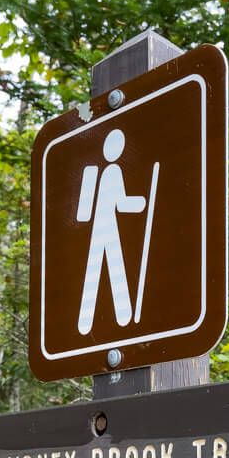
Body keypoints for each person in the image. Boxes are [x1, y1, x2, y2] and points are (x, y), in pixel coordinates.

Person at [76, 129, 146, 335]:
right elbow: (119, 204)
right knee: (108, 270)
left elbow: (83, 213)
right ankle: (111, 319)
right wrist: (141, 202)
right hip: (103, 227)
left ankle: (89, 321)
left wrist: (139, 202)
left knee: (104, 270)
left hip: (106, 228)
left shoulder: (98, 172)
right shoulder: (100, 172)